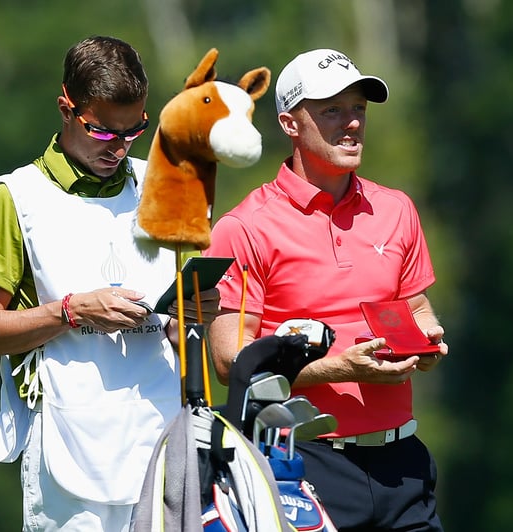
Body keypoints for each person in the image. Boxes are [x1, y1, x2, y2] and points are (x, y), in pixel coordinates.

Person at [0, 35, 216, 532]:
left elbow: (182, 331)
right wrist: (72, 311)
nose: (118, 147)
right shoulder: (16, 197)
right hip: (68, 450)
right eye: (102, 131)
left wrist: (195, 314)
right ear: (66, 108)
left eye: (134, 130)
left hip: (164, 442)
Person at [204, 48, 448, 531]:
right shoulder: (244, 227)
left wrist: (427, 337)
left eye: (358, 108)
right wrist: (339, 369)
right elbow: (231, 362)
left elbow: (416, 306)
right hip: (301, 465)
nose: (352, 123)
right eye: (332, 110)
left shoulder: (396, 208)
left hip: (403, 464)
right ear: (290, 124)